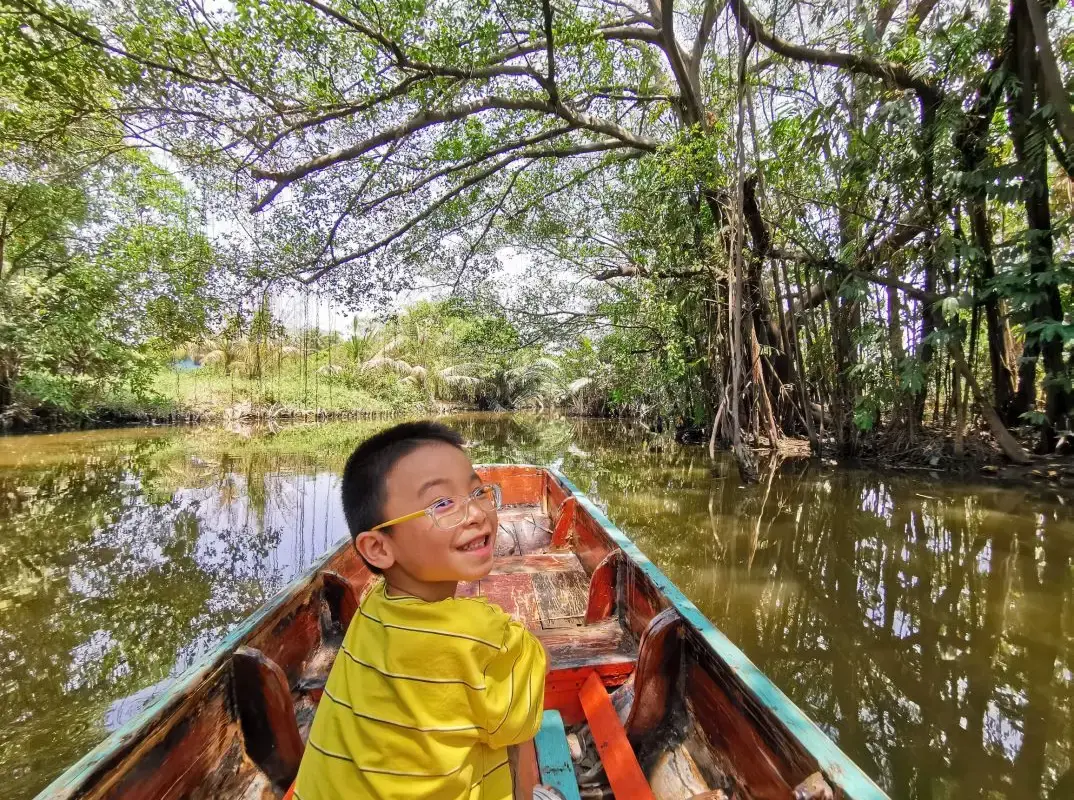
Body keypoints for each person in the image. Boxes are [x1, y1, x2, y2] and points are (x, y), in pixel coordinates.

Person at [292, 421, 548, 800]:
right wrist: (513, 643)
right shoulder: (483, 635)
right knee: (512, 732)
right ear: (378, 549)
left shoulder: (374, 606)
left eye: (477, 491)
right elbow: (522, 721)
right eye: (441, 504)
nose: (476, 513)